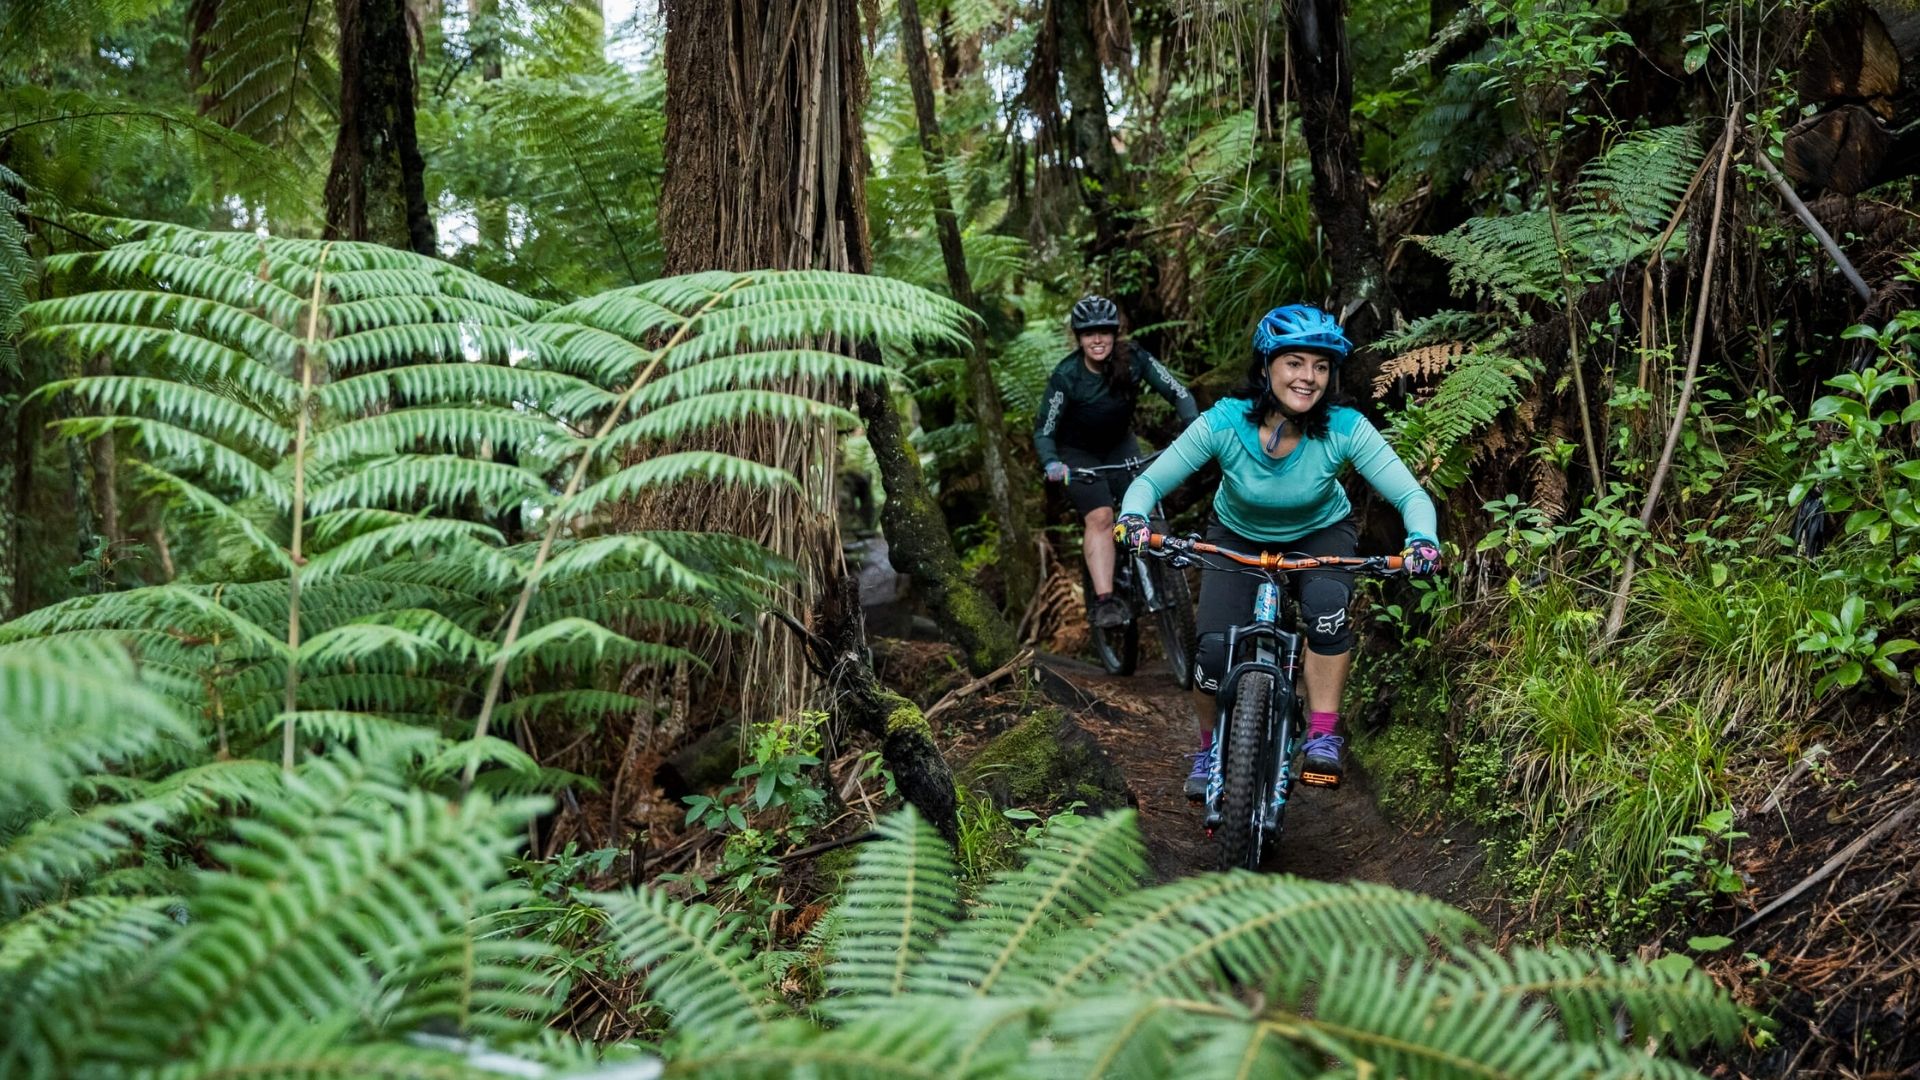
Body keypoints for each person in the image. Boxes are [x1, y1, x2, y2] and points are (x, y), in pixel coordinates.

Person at [1114, 304, 1441, 794]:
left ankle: (1323, 736)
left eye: (1322, 366)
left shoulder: (1345, 427)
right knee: (1211, 651)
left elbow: (1411, 495)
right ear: (1267, 365)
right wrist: (1133, 518)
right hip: (1236, 535)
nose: (1309, 377)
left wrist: (1422, 540)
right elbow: (1148, 484)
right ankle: (1208, 751)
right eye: (1295, 363)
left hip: (1320, 533)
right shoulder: (1224, 422)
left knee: (1328, 611)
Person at [1036, 295, 1200, 629]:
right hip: (1078, 455)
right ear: (1078, 338)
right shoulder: (1066, 376)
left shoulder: (1135, 358)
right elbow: (1044, 429)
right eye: (1088, 333)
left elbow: (1177, 392)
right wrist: (1053, 463)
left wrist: (1193, 424)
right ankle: (1105, 601)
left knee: (1147, 501)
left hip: (1119, 445)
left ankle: (1165, 576)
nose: (1097, 340)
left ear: (1114, 333)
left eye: (1104, 332)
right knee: (1100, 516)